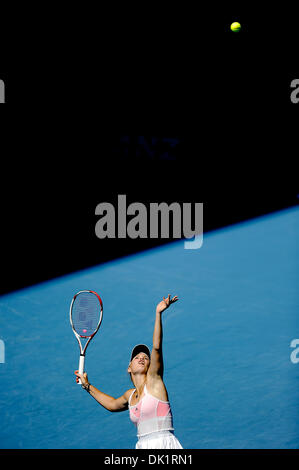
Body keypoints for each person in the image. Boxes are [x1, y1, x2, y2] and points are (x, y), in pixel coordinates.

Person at [74, 294, 183, 449]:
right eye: (136, 357)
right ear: (129, 367)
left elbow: (157, 347)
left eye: (145, 358)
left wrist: (158, 313)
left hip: (164, 444)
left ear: (150, 366)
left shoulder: (154, 382)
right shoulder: (129, 396)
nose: (141, 358)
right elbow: (112, 404)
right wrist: (87, 386)